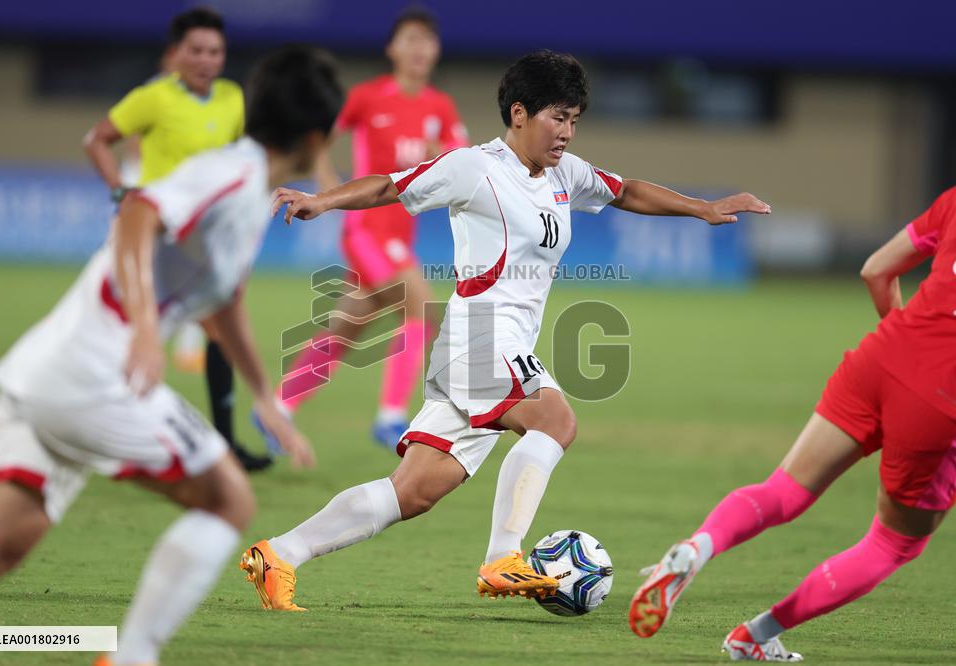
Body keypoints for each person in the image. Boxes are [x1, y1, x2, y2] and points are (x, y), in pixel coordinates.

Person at [239, 50, 769, 612]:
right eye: (556, 117)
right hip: (482, 338)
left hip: (485, 350)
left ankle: (278, 555)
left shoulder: (566, 173)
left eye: (573, 119)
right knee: (556, 418)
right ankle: (501, 557)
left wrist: (702, 209)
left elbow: (626, 190)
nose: (566, 131)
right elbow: (390, 186)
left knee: (413, 490)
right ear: (519, 113)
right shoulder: (475, 167)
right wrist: (323, 200)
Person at [0, 46, 339, 666]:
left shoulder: (246, 193)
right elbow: (137, 212)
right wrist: (141, 328)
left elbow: (223, 301)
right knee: (230, 501)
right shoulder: (232, 175)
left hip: (49, 372)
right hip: (94, 374)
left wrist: (263, 393)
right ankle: (132, 656)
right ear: (319, 136)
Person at [628, 189, 956, 661]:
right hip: (938, 400)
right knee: (893, 542)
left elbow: (876, 270)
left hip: (883, 357)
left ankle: (697, 547)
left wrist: (907, 354)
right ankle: (754, 635)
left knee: (783, 490)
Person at [83, 7, 272, 472]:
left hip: (208, 240)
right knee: (138, 335)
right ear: (177, 53)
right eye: (197, 50)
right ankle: (113, 438)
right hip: (156, 237)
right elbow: (97, 139)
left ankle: (222, 442)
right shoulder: (154, 97)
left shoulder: (232, 98)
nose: (206, 59)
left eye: (215, 51)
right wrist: (120, 191)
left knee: (217, 334)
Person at [281, 6, 468, 448]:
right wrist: (327, 189)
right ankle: (389, 417)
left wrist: (439, 147)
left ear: (436, 50)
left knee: (347, 329)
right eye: (410, 39)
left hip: (401, 235)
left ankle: (277, 405)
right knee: (420, 307)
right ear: (392, 48)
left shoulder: (439, 107)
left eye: (427, 40)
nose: (419, 49)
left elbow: (461, 160)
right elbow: (318, 138)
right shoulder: (367, 97)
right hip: (365, 229)